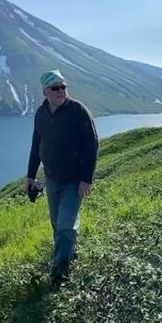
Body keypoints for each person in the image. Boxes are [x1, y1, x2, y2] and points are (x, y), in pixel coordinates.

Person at [26, 69, 99, 288]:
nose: (61, 91)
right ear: (45, 92)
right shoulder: (41, 114)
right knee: (57, 224)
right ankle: (68, 252)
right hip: (51, 179)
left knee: (66, 224)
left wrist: (87, 179)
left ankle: (59, 273)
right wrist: (30, 175)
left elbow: (92, 144)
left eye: (63, 87)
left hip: (74, 180)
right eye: (55, 88)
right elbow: (36, 145)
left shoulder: (78, 111)